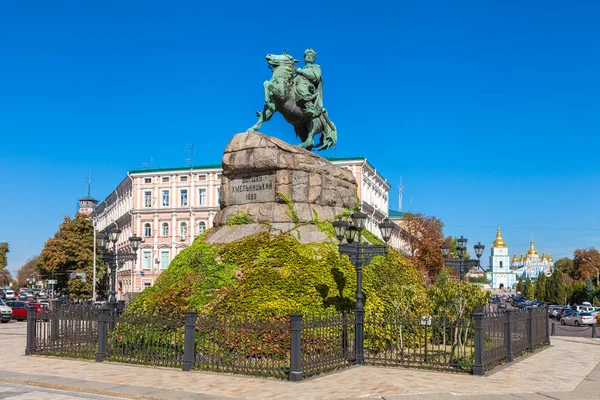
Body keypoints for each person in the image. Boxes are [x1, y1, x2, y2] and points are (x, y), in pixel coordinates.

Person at [295, 48, 323, 117]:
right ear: (304, 58)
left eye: (311, 55)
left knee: (300, 87)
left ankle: (311, 107)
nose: (309, 56)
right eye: (307, 55)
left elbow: (315, 77)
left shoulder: (316, 67)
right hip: (299, 84)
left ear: (313, 59)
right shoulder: (301, 69)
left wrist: (301, 72)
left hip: (310, 87)